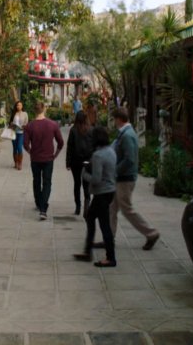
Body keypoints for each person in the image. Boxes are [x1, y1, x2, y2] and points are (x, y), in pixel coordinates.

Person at [107, 107, 160, 250]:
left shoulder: (127, 135)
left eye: (114, 119)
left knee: (127, 209)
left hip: (125, 178)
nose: (113, 122)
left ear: (118, 119)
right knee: (112, 207)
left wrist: (115, 171)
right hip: (122, 177)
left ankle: (151, 233)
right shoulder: (124, 133)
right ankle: (109, 238)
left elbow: (129, 159)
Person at [74, 126, 117, 267]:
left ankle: (110, 258)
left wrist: (84, 174)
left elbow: (96, 179)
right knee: (91, 218)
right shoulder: (111, 151)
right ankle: (87, 251)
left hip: (101, 193)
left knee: (104, 225)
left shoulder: (98, 155)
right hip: (110, 190)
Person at [23, 101, 64, 220]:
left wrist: (31, 151)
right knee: (47, 182)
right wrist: (55, 154)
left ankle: (38, 202)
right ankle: (43, 208)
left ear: (34, 111)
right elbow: (60, 142)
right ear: (44, 109)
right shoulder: (53, 124)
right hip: (48, 158)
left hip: (35, 158)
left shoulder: (29, 126)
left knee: (36, 180)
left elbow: (25, 144)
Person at [66, 111, 93, 216]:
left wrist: (68, 162)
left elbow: (70, 147)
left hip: (75, 161)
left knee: (77, 184)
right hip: (88, 161)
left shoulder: (73, 130)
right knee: (86, 184)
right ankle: (87, 203)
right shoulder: (90, 130)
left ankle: (78, 206)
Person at [10, 100, 28, 170]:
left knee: (19, 148)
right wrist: (12, 125)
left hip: (21, 133)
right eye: (17, 105)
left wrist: (22, 127)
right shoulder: (14, 113)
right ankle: (16, 163)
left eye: (20, 105)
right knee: (14, 148)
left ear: (22, 106)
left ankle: (20, 163)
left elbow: (26, 124)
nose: (18, 106)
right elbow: (10, 123)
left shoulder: (25, 114)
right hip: (14, 133)